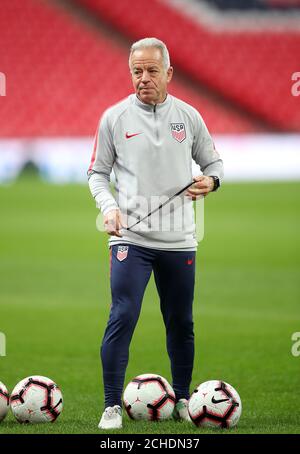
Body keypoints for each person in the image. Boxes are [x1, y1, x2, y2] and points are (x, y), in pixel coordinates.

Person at [88, 37, 224, 430]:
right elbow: (97, 173)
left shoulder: (189, 117)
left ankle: (183, 399)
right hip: (131, 237)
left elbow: (213, 162)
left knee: (181, 321)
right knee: (124, 314)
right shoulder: (113, 118)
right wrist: (109, 208)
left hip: (179, 238)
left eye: (150, 70)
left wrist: (211, 182)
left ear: (168, 73)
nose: (143, 78)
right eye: (136, 71)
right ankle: (112, 405)